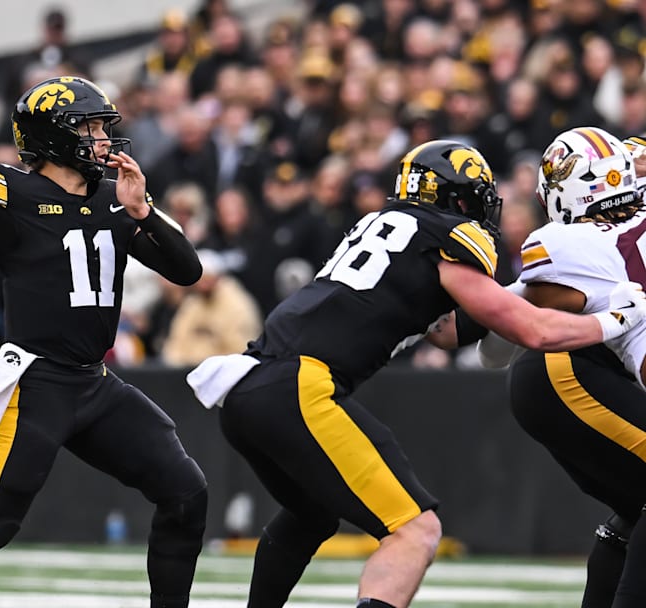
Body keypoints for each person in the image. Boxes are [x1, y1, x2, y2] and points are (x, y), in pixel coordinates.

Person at [185, 139, 646, 608]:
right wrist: (617, 319)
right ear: (456, 200)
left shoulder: (374, 226)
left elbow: (444, 332)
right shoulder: (448, 239)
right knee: (415, 531)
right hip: (300, 387)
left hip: (248, 383)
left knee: (312, 514)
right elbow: (533, 331)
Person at [0, 74, 208, 608]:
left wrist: (142, 212)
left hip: (94, 383)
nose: (103, 139)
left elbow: (187, 271)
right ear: (53, 138)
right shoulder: (10, 194)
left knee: (186, 493)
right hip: (39, 384)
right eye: (89, 127)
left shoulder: (115, 198)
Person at [463, 127, 646, 608]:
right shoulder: (581, 246)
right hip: (567, 370)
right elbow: (496, 346)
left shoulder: (581, 237)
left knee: (634, 508)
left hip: (569, 369)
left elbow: (490, 353)